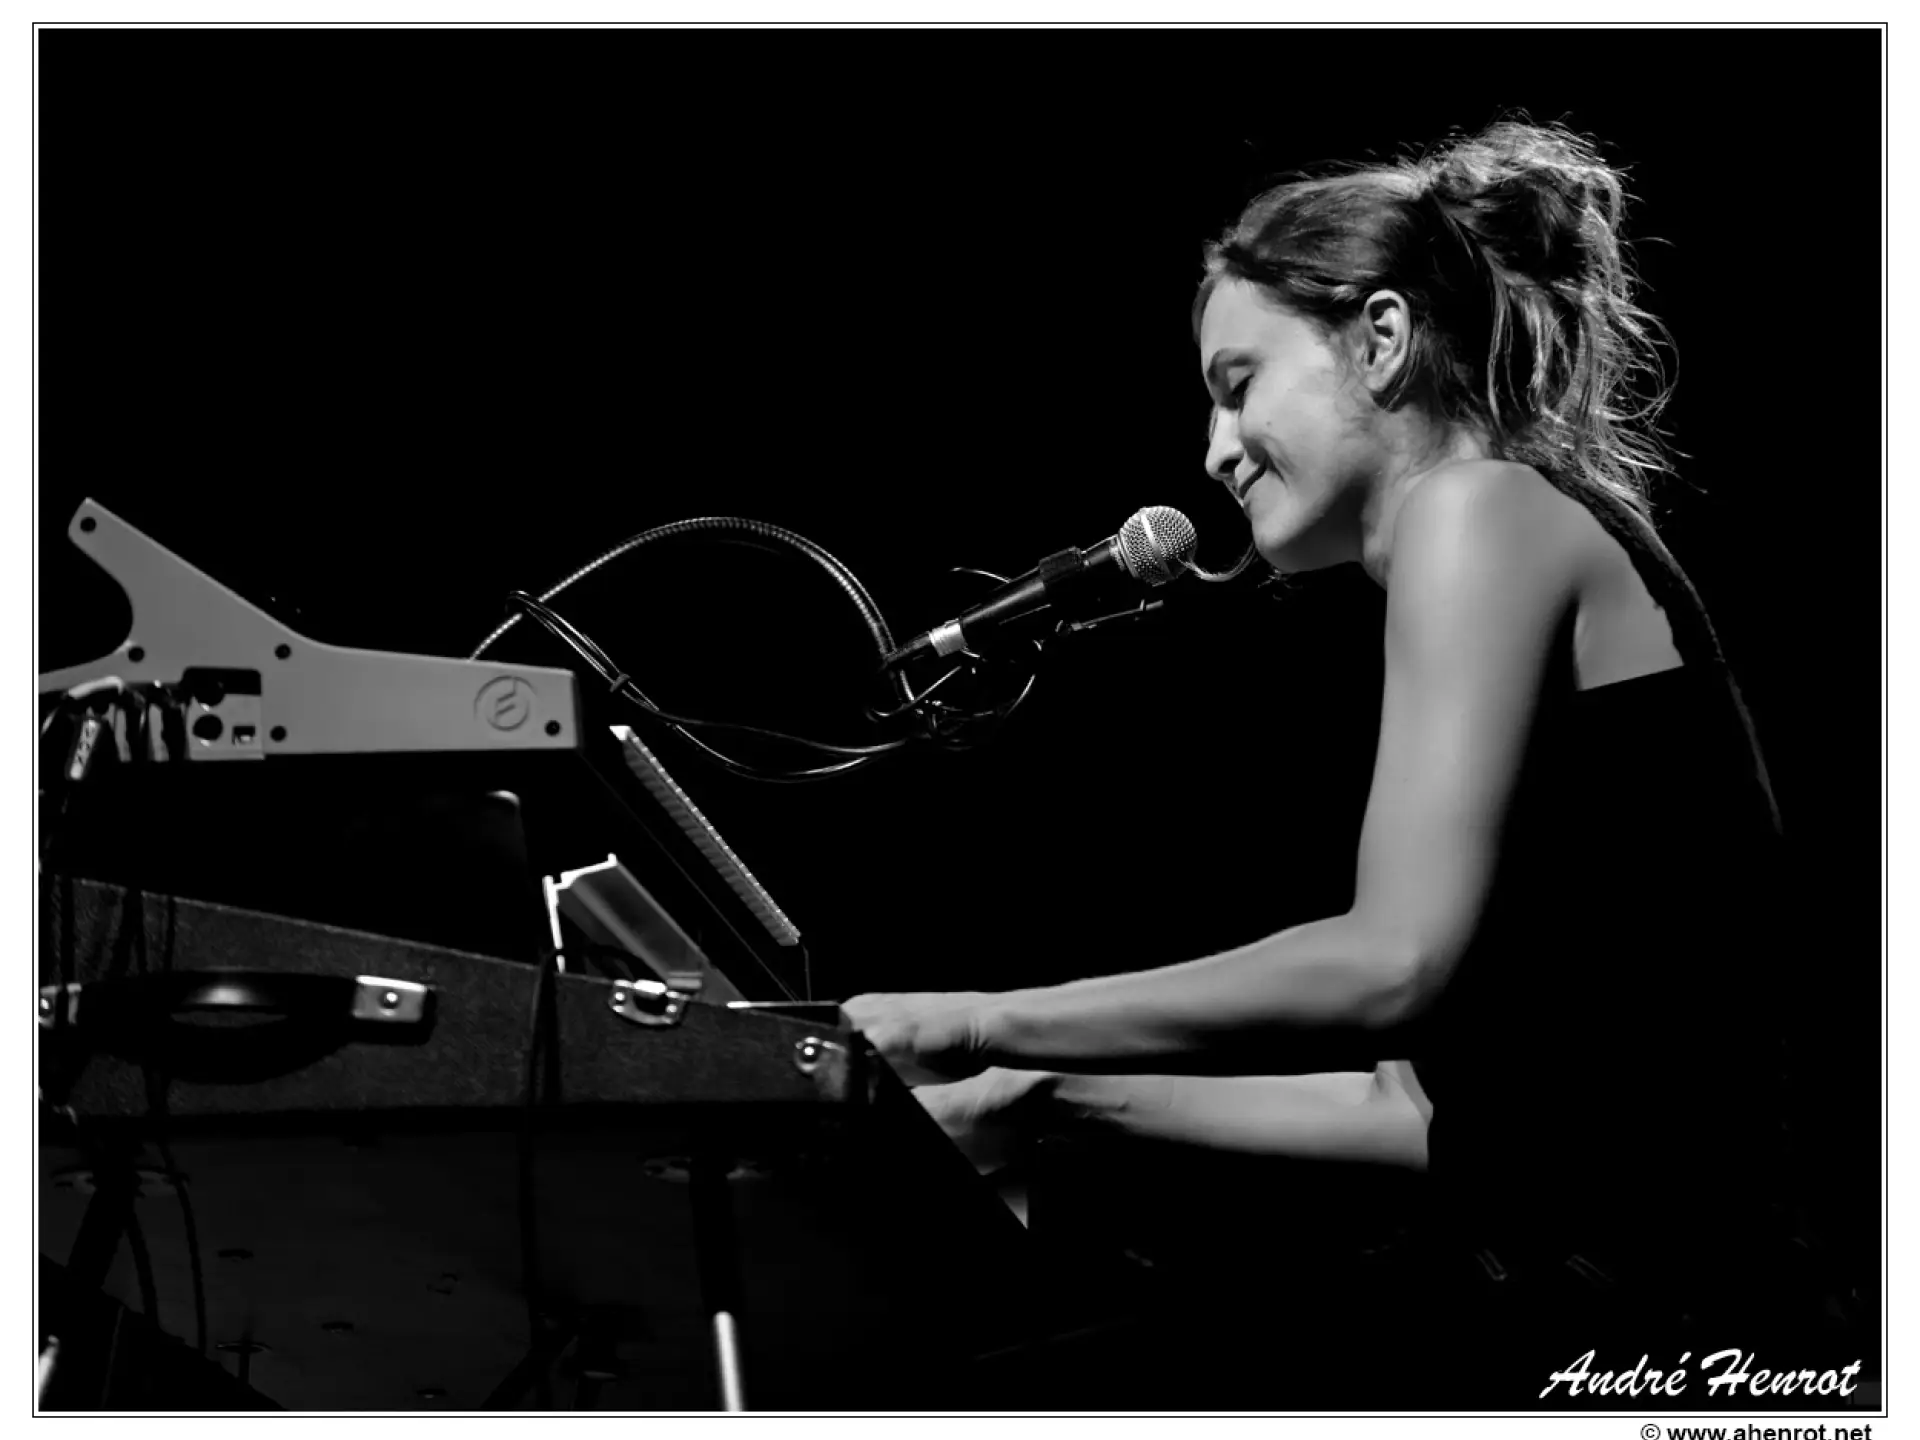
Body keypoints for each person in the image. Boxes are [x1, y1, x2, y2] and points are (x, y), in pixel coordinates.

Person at [846, 121, 1846, 1409]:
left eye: (1237, 380)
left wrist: (979, 1018)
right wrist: (1039, 1091)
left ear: (1380, 339)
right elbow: (1419, 1115)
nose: (1213, 448)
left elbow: (1390, 966)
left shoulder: (1477, 511)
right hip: (1649, 1301)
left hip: (1667, 1321)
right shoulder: (1494, 528)